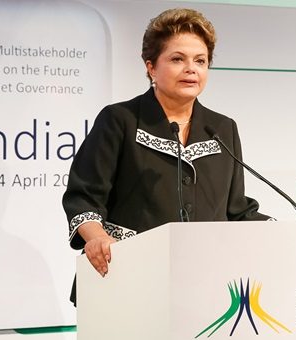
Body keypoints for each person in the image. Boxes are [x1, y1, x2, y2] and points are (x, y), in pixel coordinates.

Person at [62, 8, 271, 305]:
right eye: (177, 59)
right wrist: (96, 236)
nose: (191, 69)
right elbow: (83, 198)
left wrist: (286, 234)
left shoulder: (222, 128)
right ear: (150, 67)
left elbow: (236, 210)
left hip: (201, 286)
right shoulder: (119, 120)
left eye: (200, 61)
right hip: (123, 277)